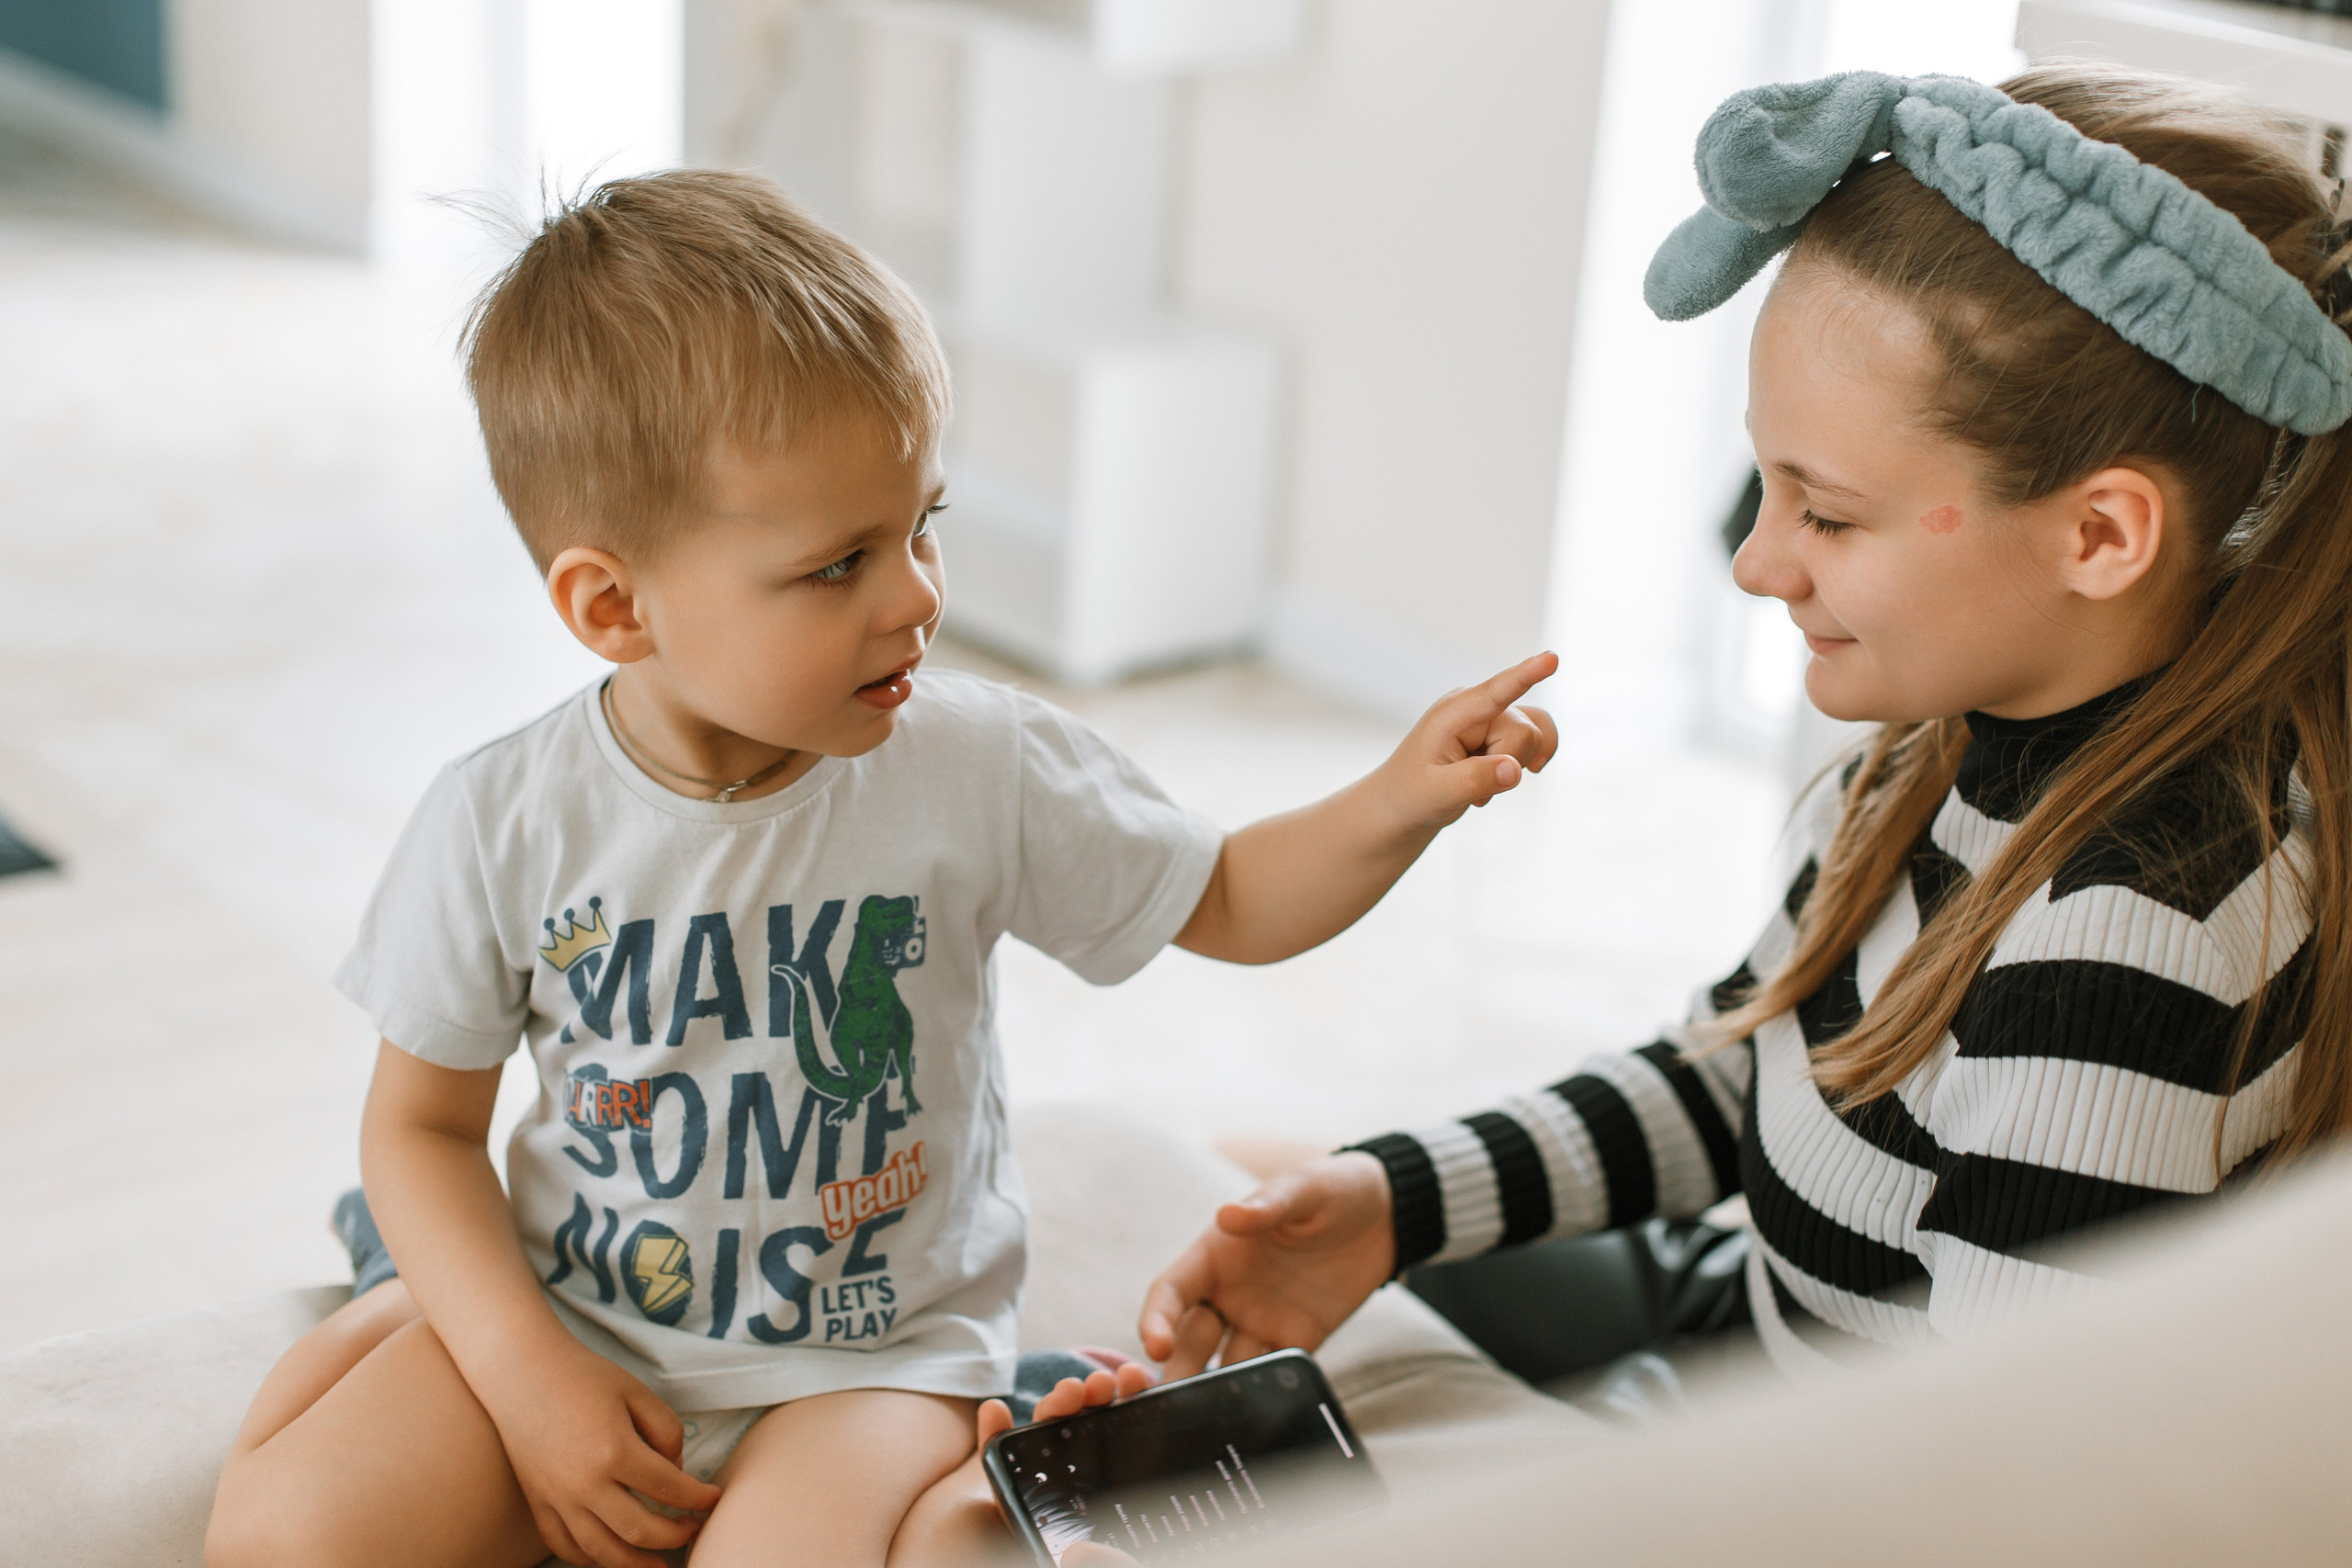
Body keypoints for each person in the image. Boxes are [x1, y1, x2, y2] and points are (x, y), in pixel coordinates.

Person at [202, 169, 1559, 1568]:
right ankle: (405, 1310)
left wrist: (1400, 799)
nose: (916, 594)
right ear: (614, 606)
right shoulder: (500, 819)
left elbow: (1227, 896)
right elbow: (419, 1135)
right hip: (582, 1309)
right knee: (292, 1541)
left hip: (870, 1364)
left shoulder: (977, 762)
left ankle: (994, 1443)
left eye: (923, 526)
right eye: (839, 563)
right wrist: (526, 1377)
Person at [1138, 60, 2352, 1404]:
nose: (1759, 564)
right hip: (1746, 1309)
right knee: (1245, 1176)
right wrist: (1394, 1204)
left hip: (1833, 1466)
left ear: (2101, 535)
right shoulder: (1933, 747)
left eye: (1826, 514)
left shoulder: (2136, 937)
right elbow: (1749, 1069)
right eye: (1763, 485)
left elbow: (2001, 1484)